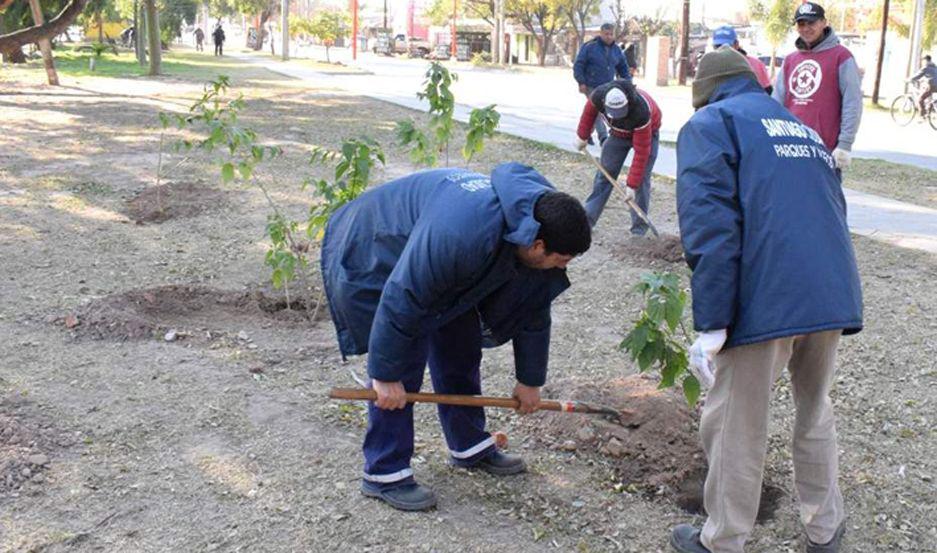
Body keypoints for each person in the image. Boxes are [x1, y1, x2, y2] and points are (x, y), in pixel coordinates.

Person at [669, 46, 863, 553]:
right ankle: (825, 529)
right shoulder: (799, 128)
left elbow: (710, 229)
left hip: (768, 294)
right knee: (814, 408)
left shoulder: (711, 124)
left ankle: (722, 540)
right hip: (829, 289)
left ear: (704, 93)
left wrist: (711, 324)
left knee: (735, 420)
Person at [320, 163, 591, 512]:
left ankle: (469, 445)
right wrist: (384, 375)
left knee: (460, 346)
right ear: (537, 246)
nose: (562, 267)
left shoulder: (537, 221)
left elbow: (533, 308)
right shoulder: (462, 235)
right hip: (379, 245)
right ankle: (384, 471)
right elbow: (403, 297)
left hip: (438, 258)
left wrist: (530, 380)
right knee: (403, 364)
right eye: (561, 259)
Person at [772, 2, 862, 171]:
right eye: (801, 23)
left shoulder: (841, 57)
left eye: (811, 22)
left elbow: (853, 102)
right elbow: (776, 102)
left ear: (823, 22)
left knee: (823, 197)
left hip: (825, 150)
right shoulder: (790, 60)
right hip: (790, 147)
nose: (806, 28)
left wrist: (845, 144)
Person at [573, 79, 662, 232]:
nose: (617, 116)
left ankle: (639, 230)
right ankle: (586, 223)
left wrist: (631, 185)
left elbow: (641, 153)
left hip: (647, 133)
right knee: (604, 175)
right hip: (618, 134)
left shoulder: (641, 111)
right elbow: (588, 114)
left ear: (627, 102)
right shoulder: (598, 96)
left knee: (641, 181)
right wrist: (583, 136)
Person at [573, 23, 631, 145]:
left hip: (608, 87)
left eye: (611, 34)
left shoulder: (617, 50)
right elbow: (579, 64)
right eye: (606, 34)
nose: (609, 37)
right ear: (601, 33)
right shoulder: (589, 47)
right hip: (591, 85)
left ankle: (586, 134)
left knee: (599, 111)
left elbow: (623, 68)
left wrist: (628, 84)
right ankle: (603, 137)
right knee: (598, 109)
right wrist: (581, 82)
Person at [711, 25, 772, 94]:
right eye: (717, 46)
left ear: (736, 44)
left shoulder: (756, 65)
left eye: (726, 46)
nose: (722, 49)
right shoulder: (710, 68)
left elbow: (768, 92)